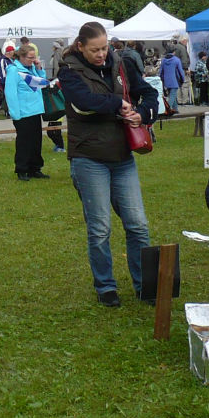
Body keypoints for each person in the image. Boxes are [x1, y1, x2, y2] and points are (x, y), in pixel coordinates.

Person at [58, 23, 159, 306]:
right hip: (89, 158)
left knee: (138, 225)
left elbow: (149, 93)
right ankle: (106, 287)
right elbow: (84, 103)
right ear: (81, 46)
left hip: (122, 157)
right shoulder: (69, 71)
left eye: (104, 48)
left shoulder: (122, 63)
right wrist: (117, 103)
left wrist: (142, 113)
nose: (102, 54)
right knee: (100, 227)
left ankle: (145, 286)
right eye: (95, 50)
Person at [5, 43, 51, 181]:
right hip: (23, 112)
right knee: (24, 142)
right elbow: (10, 93)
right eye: (30, 57)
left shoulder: (31, 69)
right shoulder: (14, 70)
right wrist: (15, 114)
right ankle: (22, 169)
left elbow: (42, 83)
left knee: (36, 141)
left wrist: (39, 68)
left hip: (35, 111)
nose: (33, 60)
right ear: (22, 57)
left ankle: (35, 168)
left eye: (34, 57)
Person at [159, 46, 185, 113]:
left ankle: (175, 109)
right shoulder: (176, 60)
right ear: (173, 52)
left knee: (172, 94)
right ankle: (167, 109)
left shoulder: (164, 60)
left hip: (166, 80)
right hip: (174, 80)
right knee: (172, 95)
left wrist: (162, 79)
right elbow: (180, 70)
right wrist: (182, 79)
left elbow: (161, 71)